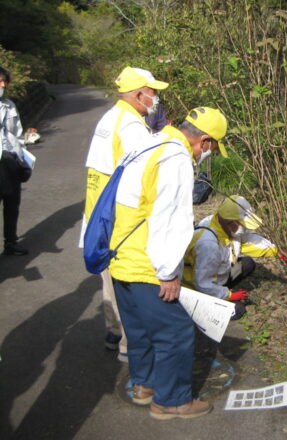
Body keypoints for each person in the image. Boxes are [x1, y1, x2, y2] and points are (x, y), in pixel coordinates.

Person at [110, 106, 227, 419]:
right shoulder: (176, 158)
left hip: (121, 254)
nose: (208, 153)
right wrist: (169, 273)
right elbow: (170, 219)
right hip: (147, 262)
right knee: (175, 331)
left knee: (140, 329)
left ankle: (144, 386)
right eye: (212, 147)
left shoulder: (151, 142)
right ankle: (172, 401)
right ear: (204, 141)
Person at [81, 66, 168, 360]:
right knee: (125, 281)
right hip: (115, 220)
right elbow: (141, 175)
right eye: (153, 91)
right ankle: (131, 347)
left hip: (97, 213)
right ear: (139, 93)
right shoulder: (130, 126)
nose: (156, 97)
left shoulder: (112, 116)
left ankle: (114, 332)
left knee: (109, 280)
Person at [182, 195, 286, 318]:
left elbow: (248, 241)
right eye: (242, 224)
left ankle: (220, 291)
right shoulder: (208, 244)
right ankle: (194, 311)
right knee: (237, 310)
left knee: (247, 264)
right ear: (229, 221)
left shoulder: (224, 226)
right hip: (196, 290)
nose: (244, 228)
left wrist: (275, 251)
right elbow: (203, 283)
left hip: (217, 276)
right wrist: (228, 295)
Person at [0, 65, 29, 256]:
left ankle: (11, 242)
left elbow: (17, 133)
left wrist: (23, 155)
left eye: (5, 82)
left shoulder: (9, 105)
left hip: (11, 160)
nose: (3, 85)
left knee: (12, 204)